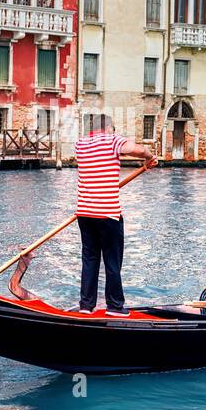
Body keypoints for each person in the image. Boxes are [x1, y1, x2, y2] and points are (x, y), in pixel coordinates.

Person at [74, 115, 155, 316]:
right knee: (112, 260)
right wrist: (148, 156)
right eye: (113, 128)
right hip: (108, 214)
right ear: (108, 127)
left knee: (90, 259)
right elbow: (137, 149)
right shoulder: (112, 140)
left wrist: (144, 166)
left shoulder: (80, 145)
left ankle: (86, 305)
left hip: (84, 212)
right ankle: (115, 306)